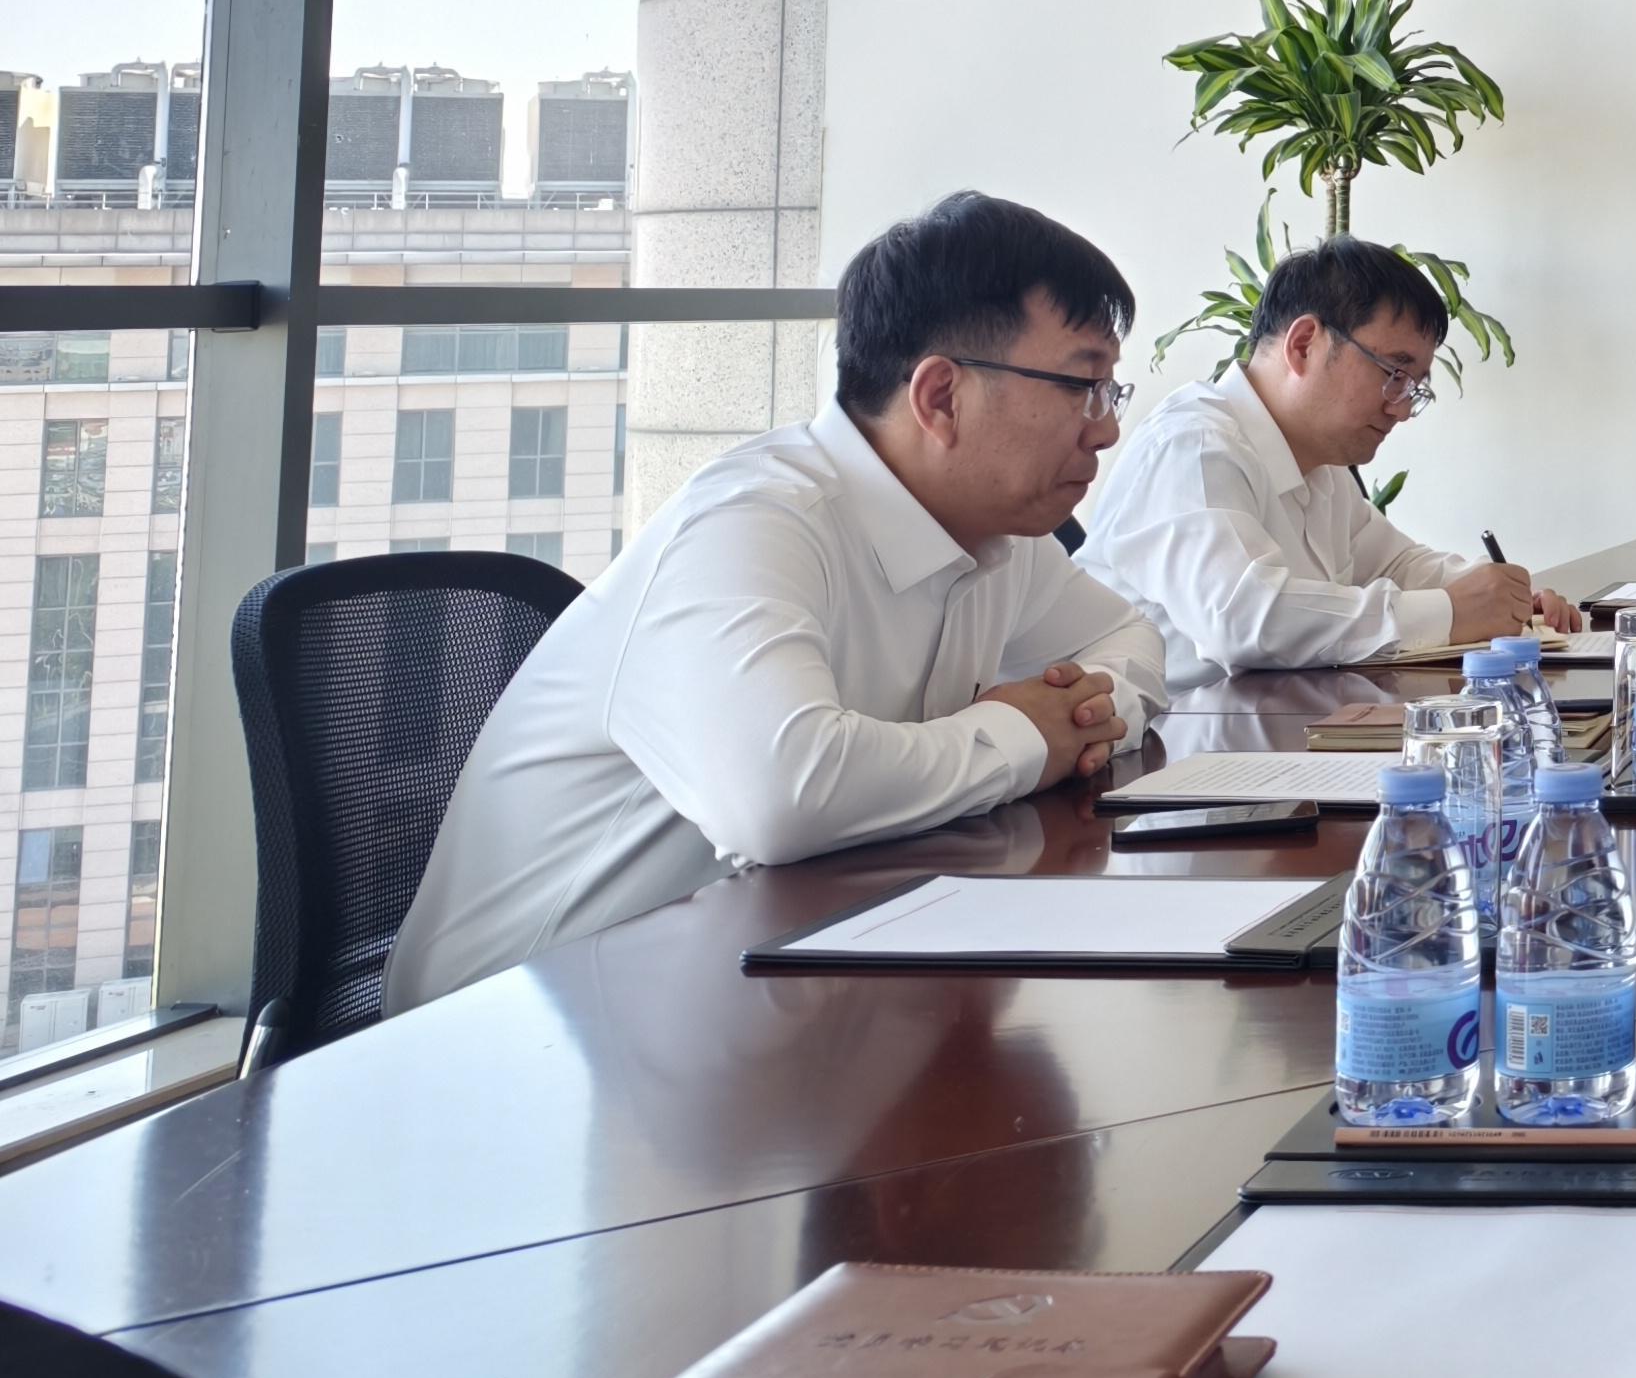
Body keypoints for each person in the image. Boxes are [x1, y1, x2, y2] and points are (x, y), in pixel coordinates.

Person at [385, 193, 1169, 1012]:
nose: (1106, 429)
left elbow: (1130, 637)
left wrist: (1082, 716)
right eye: (1083, 386)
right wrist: (1025, 735)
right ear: (940, 397)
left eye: (1109, 391)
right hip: (517, 1028)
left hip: (761, 984)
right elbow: (781, 797)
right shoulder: (752, 521)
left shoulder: (994, 534)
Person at [1081, 235, 1575, 685]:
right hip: (1165, 742)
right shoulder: (1194, 446)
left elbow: (1396, 564)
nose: (1402, 409)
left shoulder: (1319, 461)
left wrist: (1504, 598)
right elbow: (1244, 618)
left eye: (1414, 388)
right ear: (1303, 345)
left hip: (1260, 730)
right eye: (1394, 374)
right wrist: (1450, 612)